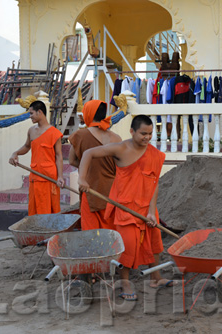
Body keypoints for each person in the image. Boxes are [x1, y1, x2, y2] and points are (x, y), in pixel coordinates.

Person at [78, 114, 175, 301]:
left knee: (155, 243)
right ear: (132, 131)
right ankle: (125, 282)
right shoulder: (121, 148)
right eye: (143, 134)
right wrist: (82, 179)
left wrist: (151, 211)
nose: (147, 138)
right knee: (127, 246)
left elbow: (154, 184)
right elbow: (87, 154)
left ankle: (156, 278)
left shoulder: (154, 154)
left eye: (150, 134)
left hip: (147, 207)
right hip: (125, 207)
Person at [68, 100, 121, 230]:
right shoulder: (116, 138)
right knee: (110, 232)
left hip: (90, 189)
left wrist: (87, 167)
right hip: (111, 191)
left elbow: (71, 160)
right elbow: (120, 166)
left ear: (88, 114)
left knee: (91, 233)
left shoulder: (79, 135)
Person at [9, 101, 64, 215]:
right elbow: (26, 147)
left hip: (49, 177)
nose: (30, 117)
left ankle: (51, 233)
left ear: (40, 112)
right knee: (35, 209)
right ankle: (36, 233)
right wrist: (15, 153)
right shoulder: (31, 131)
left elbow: (59, 156)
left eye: (31, 113)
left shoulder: (54, 133)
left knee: (50, 209)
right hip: (35, 175)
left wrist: (60, 176)